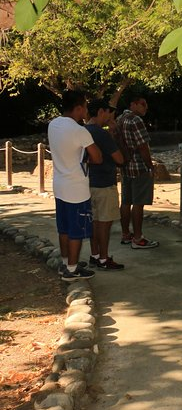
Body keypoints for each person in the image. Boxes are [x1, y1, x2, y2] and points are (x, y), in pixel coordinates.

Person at [48, 90, 102, 282]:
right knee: (76, 230)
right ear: (78, 108)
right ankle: (72, 270)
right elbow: (97, 157)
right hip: (76, 187)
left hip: (60, 184)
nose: (86, 111)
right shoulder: (80, 131)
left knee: (64, 228)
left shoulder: (53, 125)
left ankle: (66, 263)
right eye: (85, 107)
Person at [86, 99, 125, 270]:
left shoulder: (84, 130)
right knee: (104, 222)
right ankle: (104, 258)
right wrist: (114, 133)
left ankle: (95, 255)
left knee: (94, 220)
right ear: (101, 111)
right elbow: (119, 158)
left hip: (89, 182)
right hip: (104, 183)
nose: (111, 117)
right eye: (109, 113)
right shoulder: (101, 133)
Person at [116, 95, 159, 249]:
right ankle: (138, 238)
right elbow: (142, 146)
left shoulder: (120, 119)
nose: (145, 107)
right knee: (139, 203)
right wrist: (150, 166)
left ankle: (126, 234)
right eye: (143, 104)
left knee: (126, 202)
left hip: (125, 166)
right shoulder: (136, 120)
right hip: (139, 166)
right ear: (133, 104)